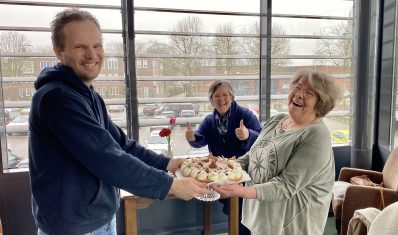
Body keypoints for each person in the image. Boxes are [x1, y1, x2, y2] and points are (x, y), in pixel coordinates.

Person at [28, 9, 211, 235]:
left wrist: (166, 164)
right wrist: (169, 185)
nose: (92, 54)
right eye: (80, 47)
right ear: (59, 52)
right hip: (73, 228)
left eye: (97, 45)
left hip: (101, 221)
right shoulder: (57, 98)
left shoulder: (89, 96)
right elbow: (106, 156)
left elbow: (121, 145)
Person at [212, 70, 341, 235]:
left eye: (309, 93)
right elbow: (252, 157)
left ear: (321, 103)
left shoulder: (316, 135)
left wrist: (241, 191)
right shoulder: (277, 120)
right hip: (260, 218)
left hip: (290, 227)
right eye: (297, 87)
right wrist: (221, 170)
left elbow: (286, 185)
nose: (298, 95)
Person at [185, 80, 262, 235]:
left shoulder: (245, 115)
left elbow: (262, 140)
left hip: (246, 174)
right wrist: (192, 137)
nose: (221, 99)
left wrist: (248, 135)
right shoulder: (209, 120)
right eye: (217, 96)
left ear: (231, 97)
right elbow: (200, 140)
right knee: (233, 212)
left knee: (244, 212)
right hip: (221, 175)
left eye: (225, 95)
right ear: (211, 101)